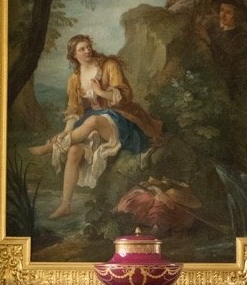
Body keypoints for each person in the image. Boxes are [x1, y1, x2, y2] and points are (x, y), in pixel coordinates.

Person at [29, 34, 161, 219]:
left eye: (88, 47)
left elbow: (125, 96)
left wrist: (100, 92)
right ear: (73, 55)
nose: (87, 51)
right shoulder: (74, 79)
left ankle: (53, 147)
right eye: (81, 49)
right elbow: (74, 109)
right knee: (74, 151)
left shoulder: (109, 66)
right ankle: (65, 204)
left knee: (93, 121)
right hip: (94, 123)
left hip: (121, 120)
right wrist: (67, 131)